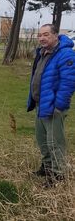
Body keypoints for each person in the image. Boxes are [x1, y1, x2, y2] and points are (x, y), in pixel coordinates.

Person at [28, 24, 75, 188]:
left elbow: (68, 82)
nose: (42, 38)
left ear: (56, 35)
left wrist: (59, 106)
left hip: (54, 107)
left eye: (46, 34)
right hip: (42, 104)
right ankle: (47, 167)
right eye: (40, 35)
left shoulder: (65, 54)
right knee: (42, 139)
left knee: (55, 141)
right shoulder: (42, 53)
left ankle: (58, 174)